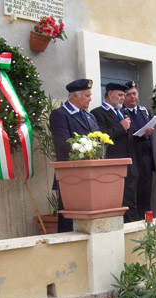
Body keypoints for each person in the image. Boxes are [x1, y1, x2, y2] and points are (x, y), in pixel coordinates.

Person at [49, 78, 99, 232]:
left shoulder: (89, 116)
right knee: (69, 222)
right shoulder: (60, 115)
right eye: (87, 95)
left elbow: (98, 141)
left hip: (92, 176)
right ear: (75, 96)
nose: (91, 99)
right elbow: (64, 144)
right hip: (71, 176)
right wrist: (86, 151)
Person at [91, 82, 139, 223]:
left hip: (130, 164)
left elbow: (130, 135)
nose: (123, 98)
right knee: (117, 203)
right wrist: (121, 127)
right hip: (113, 166)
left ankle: (135, 229)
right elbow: (101, 136)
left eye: (123, 95)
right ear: (110, 94)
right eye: (120, 95)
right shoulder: (98, 113)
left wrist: (144, 135)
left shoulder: (122, 112)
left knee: (131, 201)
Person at [123, 80, 155, 219]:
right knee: (131, 192)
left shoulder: (145, 111)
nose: (132, 97)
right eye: (129, 94)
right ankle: (133, 221)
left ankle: (145, 219)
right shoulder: (121, 113)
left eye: (134, 94)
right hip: (131, 157)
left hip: (146, 156)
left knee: (145, 190)